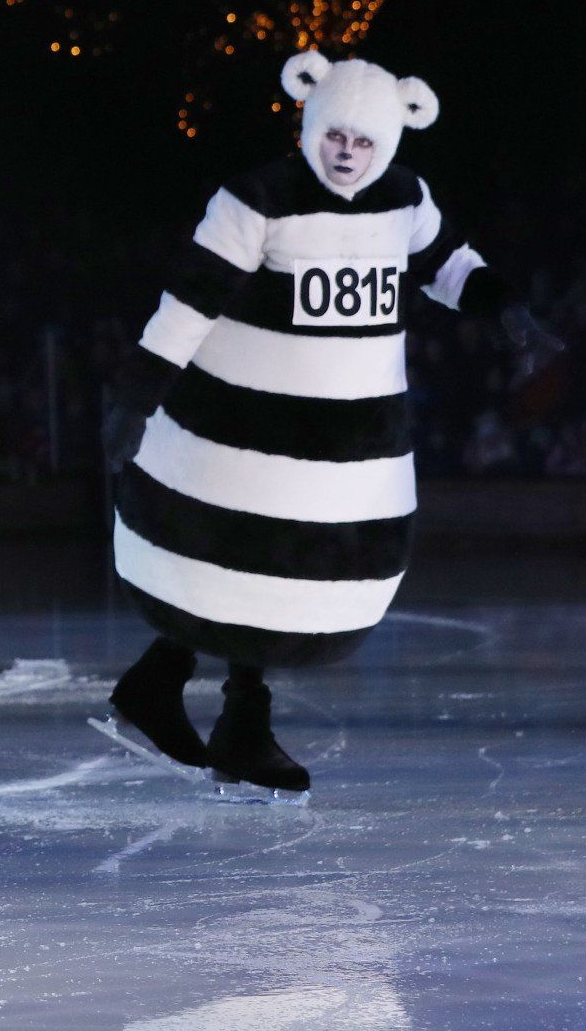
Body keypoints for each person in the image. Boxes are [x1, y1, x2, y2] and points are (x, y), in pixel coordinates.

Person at [100, 51, 559, 796]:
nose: (347, 154)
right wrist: (140, 392)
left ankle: (184, 692)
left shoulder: (405, 201)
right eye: (336, 136)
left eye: (365, 142)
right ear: (310, 124)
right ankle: (222, 710)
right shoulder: (258, 199)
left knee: (286, 573)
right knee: (236, 559)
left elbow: (445, 262)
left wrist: (503, 306)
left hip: (348, 447)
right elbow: (194, 296)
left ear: (392, 141)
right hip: (240, 431)